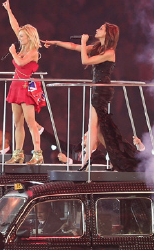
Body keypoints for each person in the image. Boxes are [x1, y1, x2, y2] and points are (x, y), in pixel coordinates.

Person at [45, 23, 138, 171]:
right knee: (101, 131)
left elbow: (85, 61)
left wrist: (83, 42)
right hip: (97, 89)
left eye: (100, 28)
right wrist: (55, 43)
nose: (97, 29)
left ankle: (87, 161)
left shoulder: (110, 52)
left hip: (102, 90)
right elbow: (74, 47)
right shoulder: (97, 48)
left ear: (108, 34)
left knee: (92, 125)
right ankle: (116, 160)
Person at [3, 0, 46, 165]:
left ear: (29, 37)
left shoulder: (33, 52)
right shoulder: (22, 47)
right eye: (19, 36)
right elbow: (15, 26)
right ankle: (18, 154)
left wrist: (13, 52)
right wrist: (9, 11)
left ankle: (37, 154)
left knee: (30, 122)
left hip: (26, 87)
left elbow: (21, 63)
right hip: (16, 86)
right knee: (17, 123)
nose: (19, 37)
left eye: (22, 36)